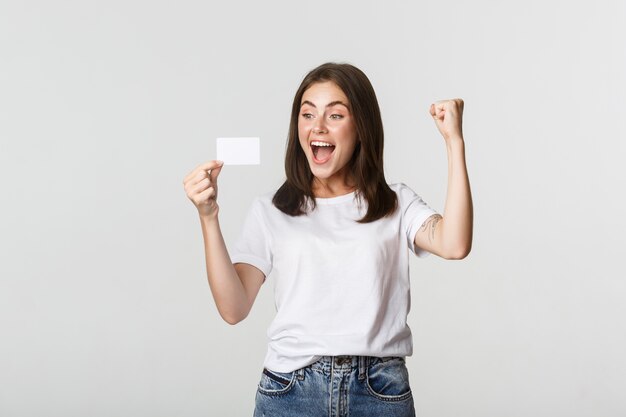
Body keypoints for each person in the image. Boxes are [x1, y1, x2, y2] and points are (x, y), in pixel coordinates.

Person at [183, 62, 473, 417]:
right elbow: (234, 308)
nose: (317, 126)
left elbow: (455, 244)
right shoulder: (271, 210)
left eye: (335, 115)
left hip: (379, 391)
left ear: (361, 127)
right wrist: (208, 216)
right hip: (290, 392)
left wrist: (454, 143)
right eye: (307, 114)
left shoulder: (395, 203)